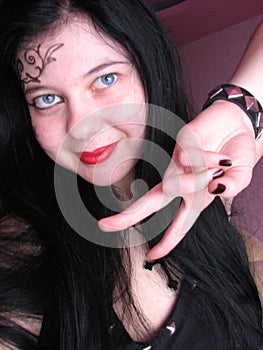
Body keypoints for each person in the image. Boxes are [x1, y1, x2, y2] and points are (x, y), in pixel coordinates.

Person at [0, 1, 262, 350]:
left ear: (148, 71)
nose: (80, 126)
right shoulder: (19, 249)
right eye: (46, 99)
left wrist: (239, 109)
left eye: (105, 79)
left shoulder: (202, 183)